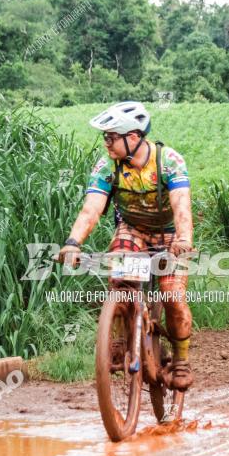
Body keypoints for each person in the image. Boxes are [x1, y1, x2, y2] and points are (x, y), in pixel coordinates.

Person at [57, 102, 196, 390]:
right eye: (104, 137)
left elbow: (181, 205)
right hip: (132, 230)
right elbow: (91, 209)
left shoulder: (169, 161)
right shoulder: (107, 166)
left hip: (169, 235)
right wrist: (73, 243)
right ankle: (120, 335)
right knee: (120, 278)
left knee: (173, 297)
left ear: (133, 137)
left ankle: (181, 360)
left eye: (111, 137)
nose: (106, 143)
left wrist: (183, 239)